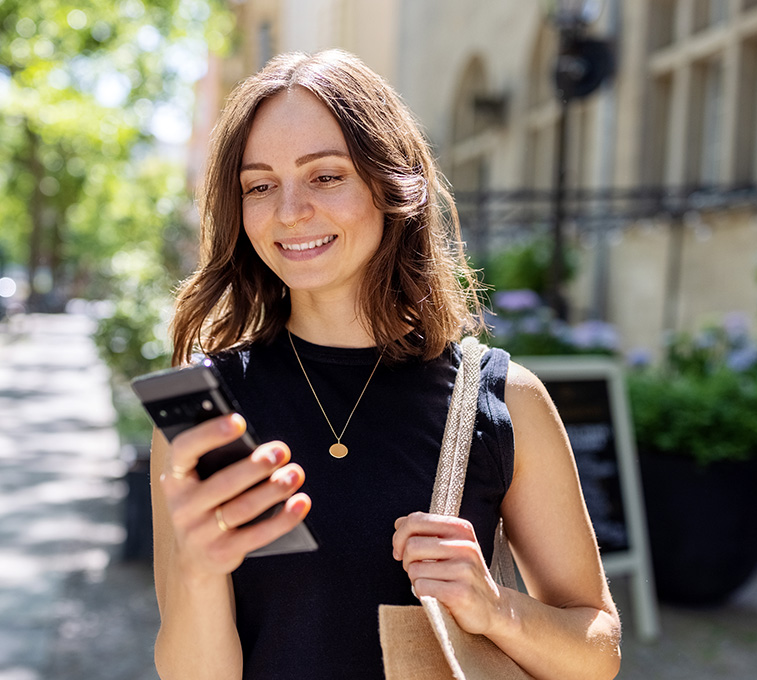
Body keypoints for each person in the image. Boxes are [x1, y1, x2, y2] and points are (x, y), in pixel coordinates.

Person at [149, 49, 621, 680]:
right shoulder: (203, 411)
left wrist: (494, 609)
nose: (289, 210)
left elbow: (598, 652)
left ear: (389, 182)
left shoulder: (502, 399)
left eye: (325, 176)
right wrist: (200, 571)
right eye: (259, 186)